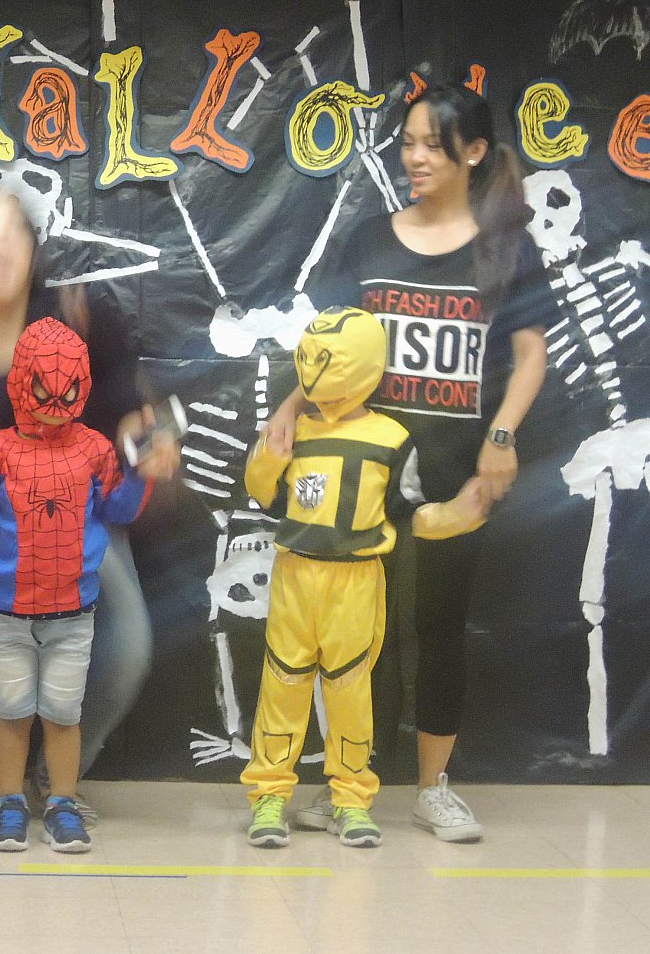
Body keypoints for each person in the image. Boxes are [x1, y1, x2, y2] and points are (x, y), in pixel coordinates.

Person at [264, 83, 552, 842]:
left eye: (432, 144)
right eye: (407, 143)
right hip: (362, 473)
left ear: (474, 152)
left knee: (440, 625)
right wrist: (291, 406)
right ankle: (348, 786)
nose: (414, 157)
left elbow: (530, 356)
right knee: (358, 633)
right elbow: (331, 350)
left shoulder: (506, 245)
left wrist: (501, 438)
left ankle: (433, 788)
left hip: (457, 474)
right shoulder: (369, 239)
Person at [0, 186, 178, 821]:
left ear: (34, 249)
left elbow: (137, 418)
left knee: (125, 648)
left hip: (78, 527)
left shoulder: (81, 322)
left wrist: (149, 445)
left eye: (13, 231)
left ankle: (56, 773)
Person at [241, 307, 490, 850]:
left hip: (357, 581)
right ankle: (268, 797)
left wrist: (454, 518)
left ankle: (351, 800)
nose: (314, 374)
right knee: (281, 688)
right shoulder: (295, 430)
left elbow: (409, 514)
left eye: (326, 362)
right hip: (295, 577)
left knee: (351, 693)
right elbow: (262, 494)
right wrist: (269, 457)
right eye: (309, 361)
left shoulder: (392, 439)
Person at [0, 317, 151, 854]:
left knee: (63, 715)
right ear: (22, 383)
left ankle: (61, 803)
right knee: (14, 713)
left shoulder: (95, 450)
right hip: (6, 614)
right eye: (43, 391)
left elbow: (120, 509)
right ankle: (10, 805)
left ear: (83, 386)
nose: (55, 404)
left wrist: (143, 471)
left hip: (73, 613)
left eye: (68, 392)